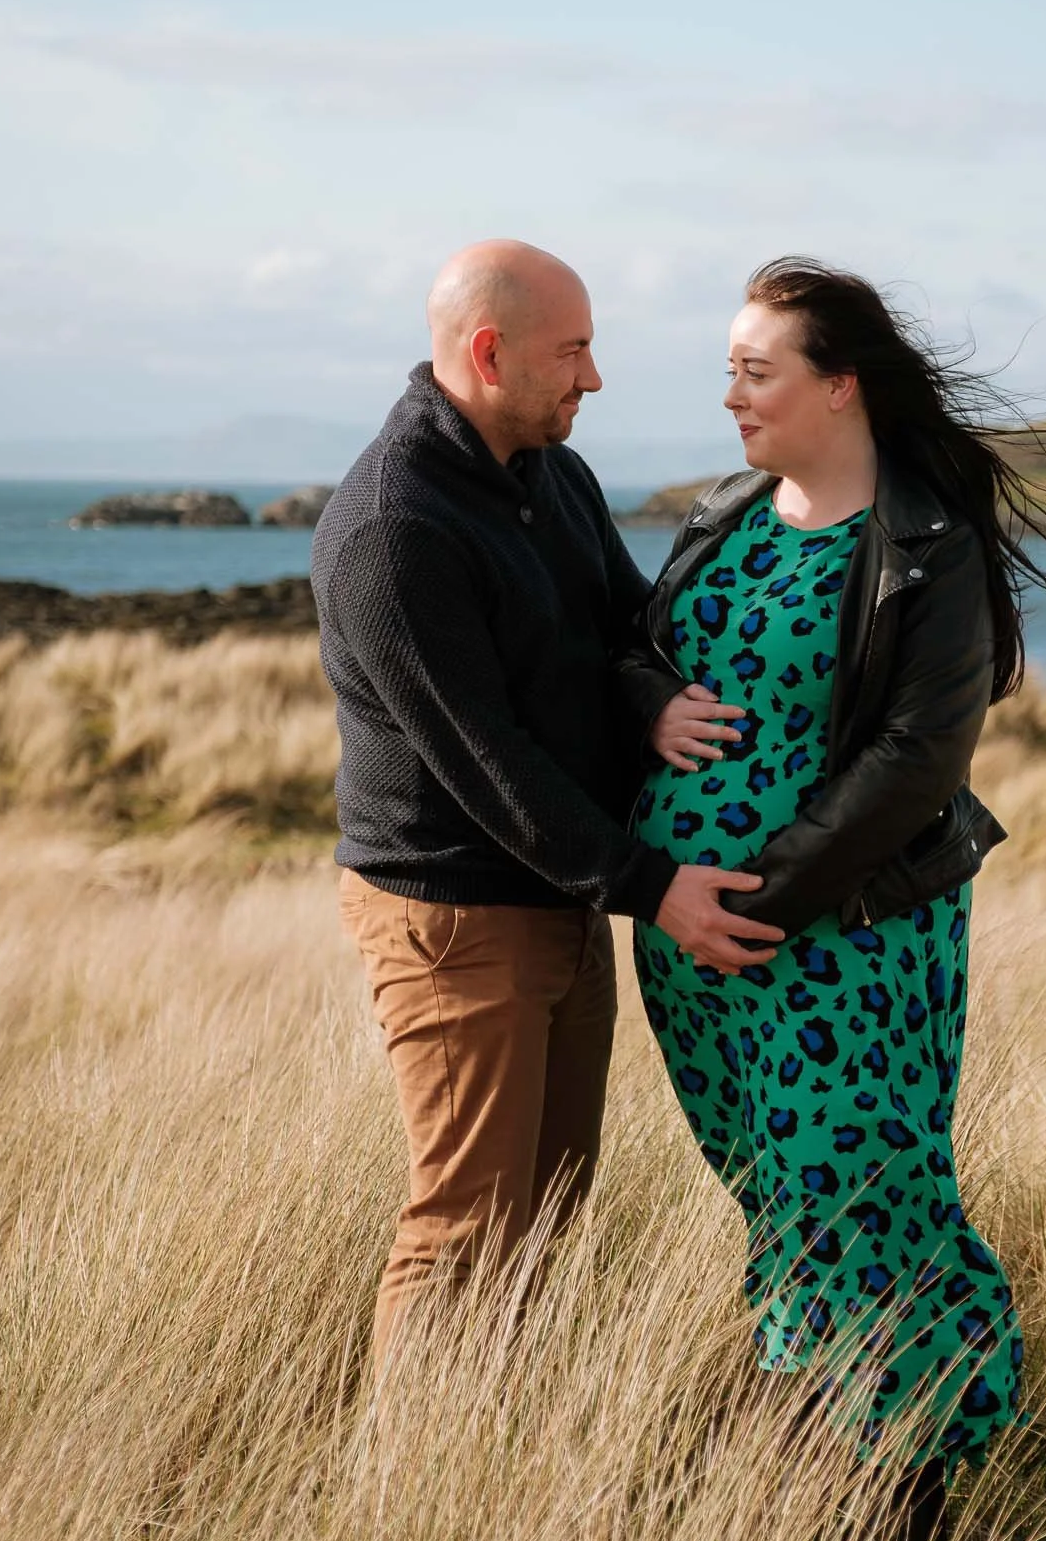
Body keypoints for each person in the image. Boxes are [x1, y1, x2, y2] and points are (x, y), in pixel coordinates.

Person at [626, 257, 1046, 1541]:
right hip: (698, 957)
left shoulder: (925, 541)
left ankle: (898, 1528)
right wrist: (644, 705)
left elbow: (917, 752)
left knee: (867, 1202)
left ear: (841, 383)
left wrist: (762, 899)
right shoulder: (724, 513)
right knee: (785, 1205)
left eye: (755, 367)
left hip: (839, 945)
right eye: (730, 367)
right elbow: (640, 647)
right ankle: (814, 1498)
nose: (729, 391)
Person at [311, 240, 785, 1378]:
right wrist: (654, 890)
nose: (594, 377)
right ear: (488, 353)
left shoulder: (548, 469)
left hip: (561, 896)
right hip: (455, 919)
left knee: (554, 1211)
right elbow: (490, 766)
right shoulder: (395, 528)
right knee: (465, 1226)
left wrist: (652, 697)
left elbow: (628, 625)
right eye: (572, 351)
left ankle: (499, 1448)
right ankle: (407, 1499)